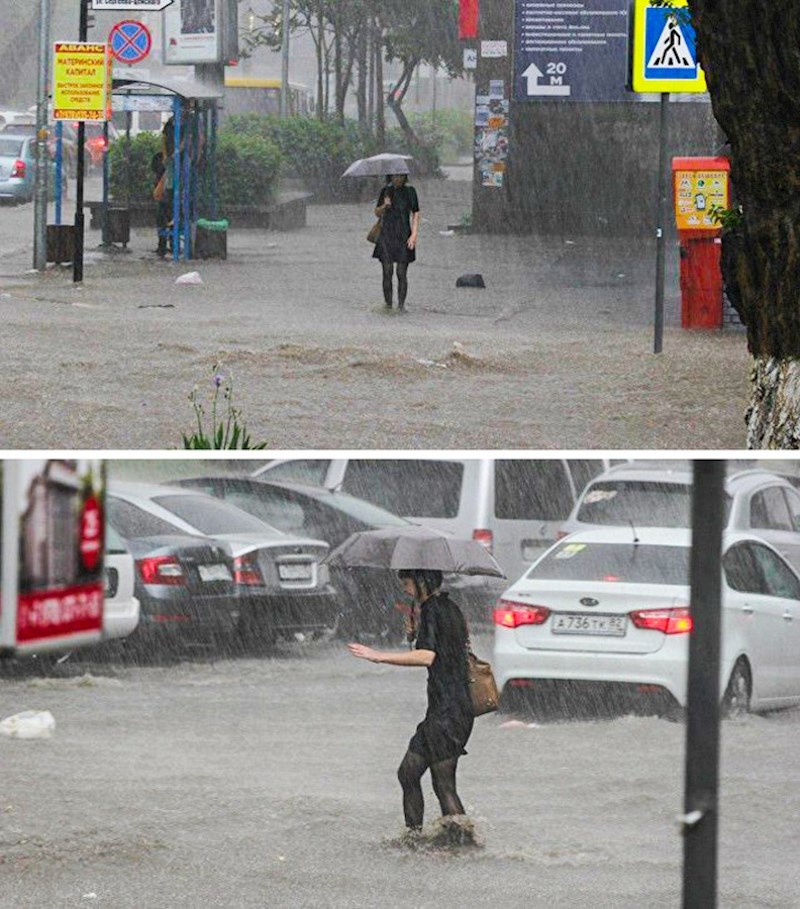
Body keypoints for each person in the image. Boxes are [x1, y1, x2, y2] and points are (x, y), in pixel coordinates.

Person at [348, 568, 474, 838]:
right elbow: (442, 651)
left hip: (449, 711)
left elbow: (427, 657)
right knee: (408, 772)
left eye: (407, 583)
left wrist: (378, 656)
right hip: (446, 708)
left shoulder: (433, 609)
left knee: (443, 784)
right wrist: (413, 633)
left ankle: (462, 844)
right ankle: (414, 838)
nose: (405, 589)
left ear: (422, 582)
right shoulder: (447, 607)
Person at [372, 173, 420, 310]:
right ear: (390, 177)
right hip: (386, 235)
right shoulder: (385, 191)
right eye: (395, 176)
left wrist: (414, 234)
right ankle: (388, 305)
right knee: (387, 271)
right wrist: (384, 206)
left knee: (401, 272)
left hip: (404, 234)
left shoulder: (410, 191)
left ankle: (401, 306)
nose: (398, 179)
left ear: (405, 177)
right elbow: (376, 212)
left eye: (401, 176)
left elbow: (416, 213)